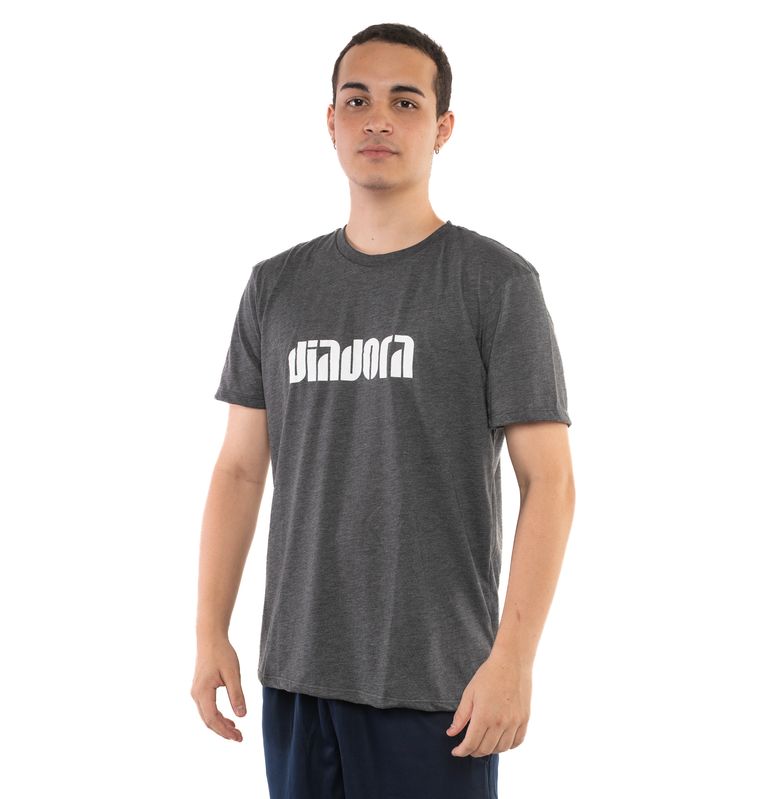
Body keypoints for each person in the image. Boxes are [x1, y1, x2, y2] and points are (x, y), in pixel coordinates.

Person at [191, 21, 576, 799]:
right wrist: (209, 630)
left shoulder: (494, 283)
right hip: (297, 673)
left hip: (437, 684)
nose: (377, 119)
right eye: (357, 100)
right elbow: (238, 469)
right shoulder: (276, 287)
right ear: (330, 121)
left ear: (443, 127)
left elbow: (551, 482)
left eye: (405, 102)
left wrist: (513, 659)